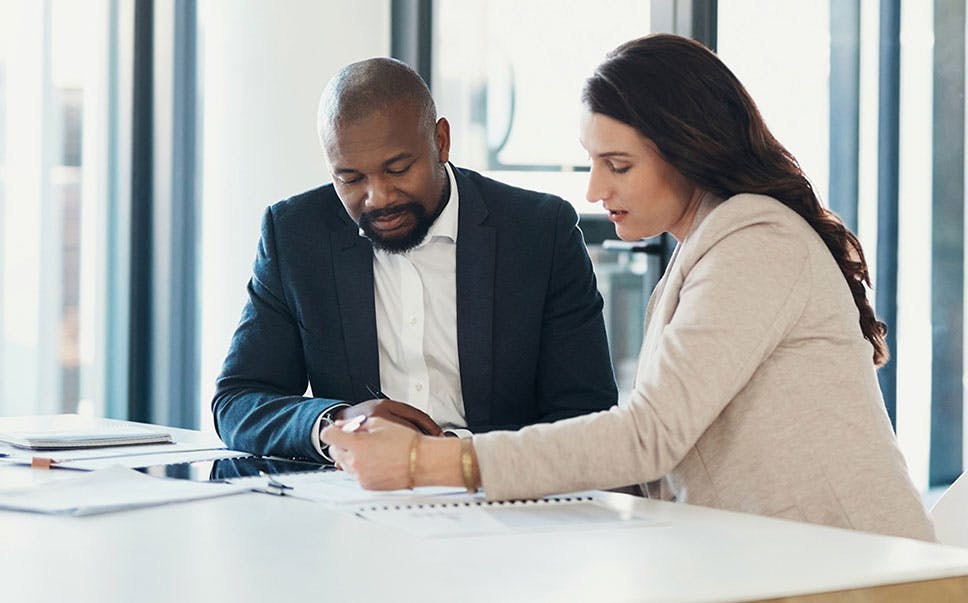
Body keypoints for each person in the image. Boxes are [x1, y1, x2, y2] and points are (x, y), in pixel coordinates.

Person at [321, 35, 937, 541]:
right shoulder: (706, 252)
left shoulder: (758, 244)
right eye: (592, 163)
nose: (594, 190)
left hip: (861, 572)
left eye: (618, 165)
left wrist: (428, 463)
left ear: (686, 151)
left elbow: (648, 437)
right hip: (785, 561)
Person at [211, 57, 618, 463]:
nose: (378, 197)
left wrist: (459, 461)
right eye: (351, 179)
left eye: (398, 169)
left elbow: (586, 413)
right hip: (352, 503)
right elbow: (238, 401)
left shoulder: (539, 231)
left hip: (501, 494)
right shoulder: (296, 234)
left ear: (440, 141)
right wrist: (337, 422)